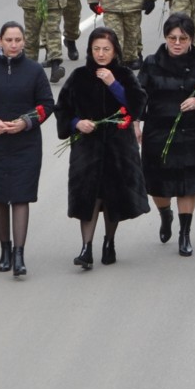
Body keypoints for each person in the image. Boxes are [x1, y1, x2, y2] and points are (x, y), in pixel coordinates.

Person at [55, 27, 149, 269]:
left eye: (106, 49)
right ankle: (86, 248)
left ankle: (109, 242)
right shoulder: (78, 77)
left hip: (119, 148)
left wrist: (113, 84)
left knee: (112, 196)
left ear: (115, 50)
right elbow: (63, 109)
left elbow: (138, 105)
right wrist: (77, 123)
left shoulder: (125, 74)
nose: (101, 53)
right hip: (87, 148)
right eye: (96, 49)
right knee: (89, 196)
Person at [0, 21, 54, 278]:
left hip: (25, 144)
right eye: (9, 40)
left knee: (20, 196)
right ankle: (4, 249)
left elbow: (47, 104)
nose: (13, 45)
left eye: (18, 40)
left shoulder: (34, 71)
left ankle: (19, 253)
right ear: (0, 41)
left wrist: (25, 122)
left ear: (25, 42)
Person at [138, 13, 195, 256]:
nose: (177, 43)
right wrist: (135, 123)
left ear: (191, 39)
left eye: (183, 38)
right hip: (158, 131)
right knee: (158, 185)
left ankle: (185, 233)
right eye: (172, 38)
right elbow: (139, 97)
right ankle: (165, 213)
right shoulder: (151, 63)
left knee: (188, 184)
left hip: (192, 132)